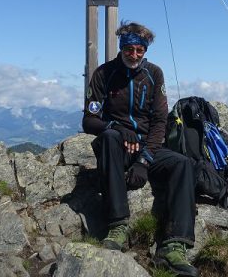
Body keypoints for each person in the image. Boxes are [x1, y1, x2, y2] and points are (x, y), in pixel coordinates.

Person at [82, 21, 198, 277]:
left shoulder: (154, 74)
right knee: (109, 138)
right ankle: (117, 225)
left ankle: (174, 245)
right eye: (129, 49)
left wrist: (143, 161)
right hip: (117, 145)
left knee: (183, 164)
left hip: (148, 146)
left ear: (145, 50)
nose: (134, 55)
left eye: (140, 50)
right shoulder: (104, 74)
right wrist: (116, 126)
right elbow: (88, 120)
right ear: (122, 47)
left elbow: (160, 122)